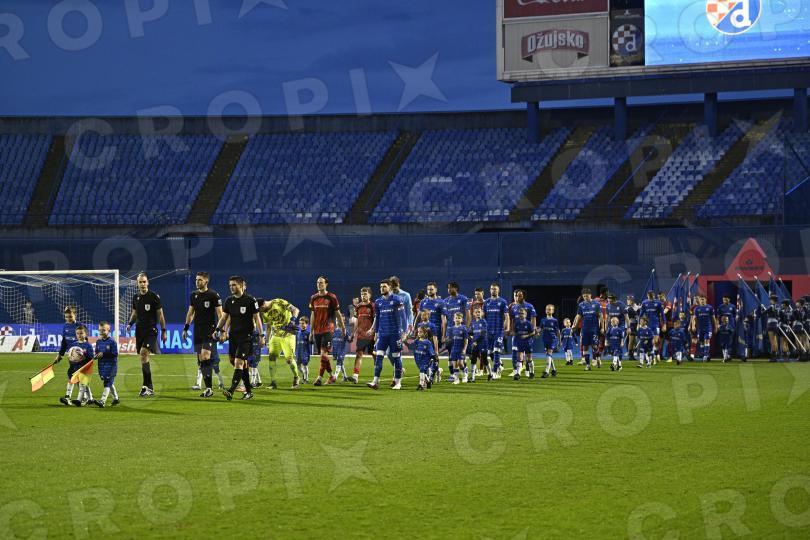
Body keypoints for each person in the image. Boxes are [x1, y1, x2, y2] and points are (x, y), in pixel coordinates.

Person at [216, 275, 264, 401]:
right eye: (230, 285)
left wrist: (261, 335)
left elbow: (257, 319)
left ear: (241, 285)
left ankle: (231, 390)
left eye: (234, 285)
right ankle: (248, 392)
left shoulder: (250, 300)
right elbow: (224, 317)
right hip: (233, 337)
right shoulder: (229, 300)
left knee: (238, 362)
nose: (231, 287)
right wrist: (218, 330)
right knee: (238, 363)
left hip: (246, 337)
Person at [183, 271, 224, 397]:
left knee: (206, 357)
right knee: (201, 360)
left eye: (200, 280)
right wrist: (186, 328)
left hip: (209, 331)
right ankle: (208, 388)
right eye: (196, 279)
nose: (197, 282)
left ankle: (209, 388)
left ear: (206, 281)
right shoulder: (193, 295)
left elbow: (220, 314)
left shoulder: (213, 295)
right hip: (197, 330)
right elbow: (190, 313)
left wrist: (221, 331)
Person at [126, 272, 167, 397]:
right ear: (137, 284)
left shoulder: (154, 297)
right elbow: (134, 313)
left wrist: (164, 331)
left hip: (151, 330)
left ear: (148, 282)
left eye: (144, 281)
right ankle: (149, 387)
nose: (142, 284)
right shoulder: (136, 297)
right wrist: (130, 324)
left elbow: (160, 315)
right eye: (140, 282)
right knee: (143, 357)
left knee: (144, 353)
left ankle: (146, 386)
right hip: (139, 330)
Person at [367, 280, 408, 390]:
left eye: (384, 286)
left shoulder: (397, 300)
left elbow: (403, 317)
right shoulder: (378, 302)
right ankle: (375, 381)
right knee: (378, 357)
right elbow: (378, 318)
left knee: (396, 357)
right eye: (381, 287)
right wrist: (376, 333)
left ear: (389, 287)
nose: (382, 288)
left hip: (395, 334)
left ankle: (398, 382)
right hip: (382, 334)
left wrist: (404, 332)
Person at [309, 276, 346, 386]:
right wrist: (311, 331)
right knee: (323, 356)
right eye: (318, 282)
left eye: (321, 282)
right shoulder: (313, 298)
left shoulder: (332, 297)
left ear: (326, 284)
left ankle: (319, 378)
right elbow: (312, 315)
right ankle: (331, 376)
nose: (319, 284)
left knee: (323, 354)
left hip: (328, 329)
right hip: (317, 330)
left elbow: (338, 314)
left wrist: (343, 328)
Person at [260, 297, 302, 389]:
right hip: (275, 336)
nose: (260, 311)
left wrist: (292, 320)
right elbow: (268, 326)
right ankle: (273, 382)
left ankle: (296, 377)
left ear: (263, 305)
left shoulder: (278, 302)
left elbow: (296, 310)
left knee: (289, 360)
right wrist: (267, 340)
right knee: (271, 357)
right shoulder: (264, 313)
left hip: (288, 335)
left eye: (260, 309)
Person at [420, 282, 447, 375]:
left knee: (434, 353)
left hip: (435, 332)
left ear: (436, 290)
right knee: (424, 353)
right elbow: (419, 316)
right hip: (423, 332)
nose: (429, 291)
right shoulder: (423, 302)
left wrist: (443, 335)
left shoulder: (441, 302)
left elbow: (444, 320)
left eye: (431, 289)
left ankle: (433, 371)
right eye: (428, 289)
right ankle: (432, 371)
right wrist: (415, 328)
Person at [55, 306, 81, 404]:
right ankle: (87, 397)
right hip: (71, 356)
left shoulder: (79, 326)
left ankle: (68, 396)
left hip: (79, 356)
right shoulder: (65, 326)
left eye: (70, 316)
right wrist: (60, 355)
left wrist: (81, 353)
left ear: (75, 315)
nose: (68, 319)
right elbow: (64, 342)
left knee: (73, 375)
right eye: (66, 317)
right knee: (76, 377)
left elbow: (85, 341)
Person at [573, 288, 603, 371]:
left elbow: (600, 316)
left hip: (594, 329)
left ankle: (598, 358)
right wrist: (575, 325)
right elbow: (578, 316)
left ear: (590, 295)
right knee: (585, 347)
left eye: (587, 296)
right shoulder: (581, 305)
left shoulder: (596, 304)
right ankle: (588, 365)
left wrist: (602, 327)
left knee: (594, 346)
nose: (585, 297)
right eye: (584, 296)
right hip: (585, 329)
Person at [349, 288, 375, 383]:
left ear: (369, 295)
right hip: (361, 335)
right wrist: (353, 333)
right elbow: (356, 321)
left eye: (365, 294)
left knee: (374, 354)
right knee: (359, 354)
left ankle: (376, 376)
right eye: (362, 294)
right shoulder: (358, 306)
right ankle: (355, 376)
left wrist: (374, 332)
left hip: (371, 335)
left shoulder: (373, 306)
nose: (363, 296)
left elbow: (376, 320)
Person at [508, 289, 537, 375]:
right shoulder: (513, 307)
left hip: (527, 334)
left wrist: (533, 331)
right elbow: (512, 320)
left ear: (523, 296)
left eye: (520, 296)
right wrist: (511, 330)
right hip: (517, 334)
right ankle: (515, 371)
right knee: (515, 351)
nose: (518, 297)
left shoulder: (529, 306)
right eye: (517, 295)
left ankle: (528, 370)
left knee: (528, 354)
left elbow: (533, 318)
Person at [484, 283, 509, 380]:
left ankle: (495, 372)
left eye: (495, 289)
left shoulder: (502, 302)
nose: (493, 290)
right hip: (488, 331)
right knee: (490, 352)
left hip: (499, 330)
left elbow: (507, 316)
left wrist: (506, 328)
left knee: (496, 350)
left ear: (498, 290)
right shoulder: (486, 302)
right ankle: (499, 364)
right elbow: (483, 316)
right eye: (491, 289)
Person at [93, 321, 119, 407]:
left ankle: (102, 401)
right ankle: (115, 398)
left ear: (108, 330)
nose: (101, 332)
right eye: (100, 330)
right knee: (109, 382)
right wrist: (96, 356)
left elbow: (115, 354)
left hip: (111, 366)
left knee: (107, 383)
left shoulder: (112, 342)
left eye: (103, 330)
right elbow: (97, 352)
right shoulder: (98, 342)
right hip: (102, 366)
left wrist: (104, 354)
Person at [69, 325, 95, 406]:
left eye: (81, 333)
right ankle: (90, 398)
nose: (79, 335)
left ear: (85, 334)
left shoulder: (88, 345)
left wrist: (83, 356)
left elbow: (91, 358)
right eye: (78, 333)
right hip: (76, 367)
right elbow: (70, 356)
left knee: (82, 384)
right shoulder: (73, 345)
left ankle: (79, 400)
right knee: (79, 383)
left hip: (85, 367)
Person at [641, 290, 665, 364]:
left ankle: (656, 354)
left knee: (655, 341)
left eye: (651, 294)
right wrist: (639, 324)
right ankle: (650, 357)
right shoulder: (644, 303)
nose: (650, 296)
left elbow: (662, 314)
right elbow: (641, 314)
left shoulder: (658, 303)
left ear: (653, 295)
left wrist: (664, 324)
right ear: (647, 295)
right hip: (647, 325)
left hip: (655, 324)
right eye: (649, 295)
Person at [691, 294, 716, 362]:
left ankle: (705, 355)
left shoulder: (710, 308)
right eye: (700, 299)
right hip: (700, 328)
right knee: (701, 342)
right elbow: (694, 318)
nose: (701, 300)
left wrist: (715, 327)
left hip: (708, 327)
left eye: (703, 299)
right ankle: (704, 354)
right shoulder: (696, 309)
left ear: (705, 300)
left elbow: (713, 318)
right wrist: (693, 325)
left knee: (707, 340)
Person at [512, 307, 535, 380]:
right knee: (520, 357)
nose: (521, 315)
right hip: (520, 342)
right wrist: (514, 334)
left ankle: (532, 372)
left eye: (522, 313)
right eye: (519, 313)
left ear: (525, 314)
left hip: (528, 342)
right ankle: (518, 374)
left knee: (529, 358)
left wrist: (526, 336)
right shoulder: (517, 323)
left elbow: (533, 332)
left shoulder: (528, 323)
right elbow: (515, 332)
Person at [447, 312, 469, 384]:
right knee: (454, 365)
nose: (457, 319)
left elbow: (466, 340)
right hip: (454, 349)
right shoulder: (451, 329)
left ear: (462, 320)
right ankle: (456, 379)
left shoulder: (464, 329)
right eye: (456, 318)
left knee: (460, 363)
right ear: (453, 319)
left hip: (461, 349)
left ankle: (465, 374)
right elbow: (450, 340)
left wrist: (464, 349)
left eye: (459, 318)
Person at [539, 304, 560, 378]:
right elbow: (540, 328)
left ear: (553, 311)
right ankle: (554, 370)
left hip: (552, 339)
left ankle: (546, 371)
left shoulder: (555, 321)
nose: (548, 311)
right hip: (545, 339)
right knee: (548, 355)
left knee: (549, 353)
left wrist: (559, 341)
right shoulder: (543, 320)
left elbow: (557, 331)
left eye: (550, 309)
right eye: (547, 309)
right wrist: (537, 332)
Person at [468, 306, 488, 382]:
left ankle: (490, 374)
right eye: (476, 312)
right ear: (473, 313)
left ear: (482, 313)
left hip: (482, 343)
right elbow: (470, 333)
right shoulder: (473, 323)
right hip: (475, 344)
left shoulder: (484, 322)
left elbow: (483, 333)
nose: (477, 313)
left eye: (479, 312)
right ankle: (473, 377)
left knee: (484, 359)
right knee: (473, 359)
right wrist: (471, 339)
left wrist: (475, 341)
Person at [413, 326, 436, 391]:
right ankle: (428, 382)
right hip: (418, 360)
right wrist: (405, 341)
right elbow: (411, 347)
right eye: (418, 332)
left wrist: (433, 357)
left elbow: (431, 351)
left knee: (422, 370)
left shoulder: (428, 342)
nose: (419, 333)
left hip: (426, 360)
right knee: (423, 371)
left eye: (421, 332)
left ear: (425, 333)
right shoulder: (416, 341)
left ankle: (421, 385)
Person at [296, 317, 312, 383]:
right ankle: (304, 374)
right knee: (298, 366)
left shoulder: (308, 333)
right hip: (298, 352)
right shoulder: (298, 333)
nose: (301, 325)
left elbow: (311, 342)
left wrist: (311, 338)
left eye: (303, 323)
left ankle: (306, 379)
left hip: (305, 352)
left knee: (304, 365)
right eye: (300, 323)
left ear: (307, 324)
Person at [626, 295, 640, 362]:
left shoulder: (637, 307)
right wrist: (627, 327)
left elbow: (639, 316)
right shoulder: (627, 308)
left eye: (629, 300)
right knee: (631, 341)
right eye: (628, 299)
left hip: (637, 324)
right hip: (631, 325)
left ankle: (632, 354)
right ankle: (630, 355)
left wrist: (639, 325)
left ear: (632, 300)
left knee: (634, 341)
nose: (628, 301)